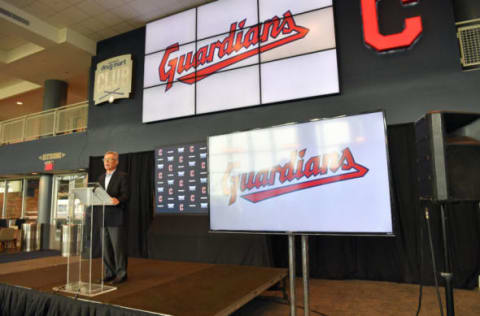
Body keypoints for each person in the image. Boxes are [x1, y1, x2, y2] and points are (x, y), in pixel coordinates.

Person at [98, 151, 129, 285]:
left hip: (116, 216)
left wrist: (119, 200)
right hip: (103, 216)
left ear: (116, 162)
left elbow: (126, 195)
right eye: (105, 160)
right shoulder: (100, 178)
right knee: (105, 248)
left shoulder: (122, 176)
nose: (107, 162)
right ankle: (109, 273)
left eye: (110, 160)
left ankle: (121, 274)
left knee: (118, 248)